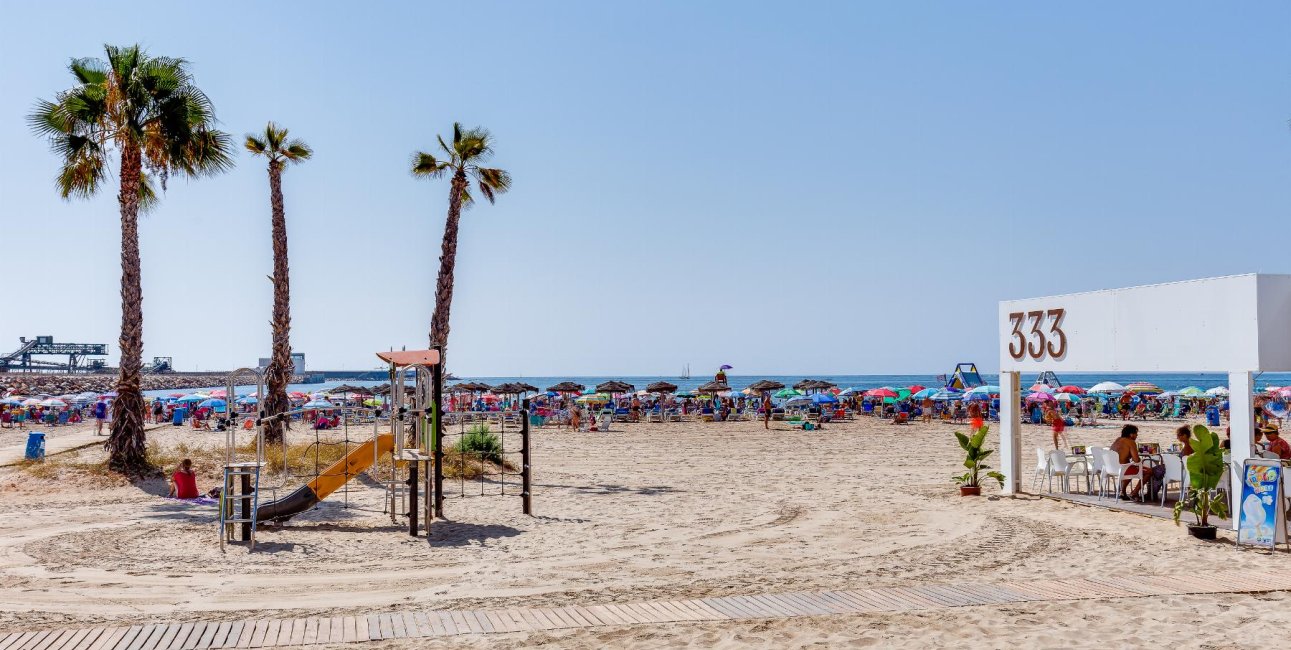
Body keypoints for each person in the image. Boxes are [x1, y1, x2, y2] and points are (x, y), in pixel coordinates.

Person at [1109, 424, 1144, 499]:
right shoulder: (1131, 442)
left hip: (1112, 468)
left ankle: (1123, 491)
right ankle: (1134, 492)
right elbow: (1136, 460)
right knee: (1149, 471)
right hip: (1123, 469)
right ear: (1131, 434)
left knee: (1130, 466)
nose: (1137, 435)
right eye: (1136, 433)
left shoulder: (1118, 440)